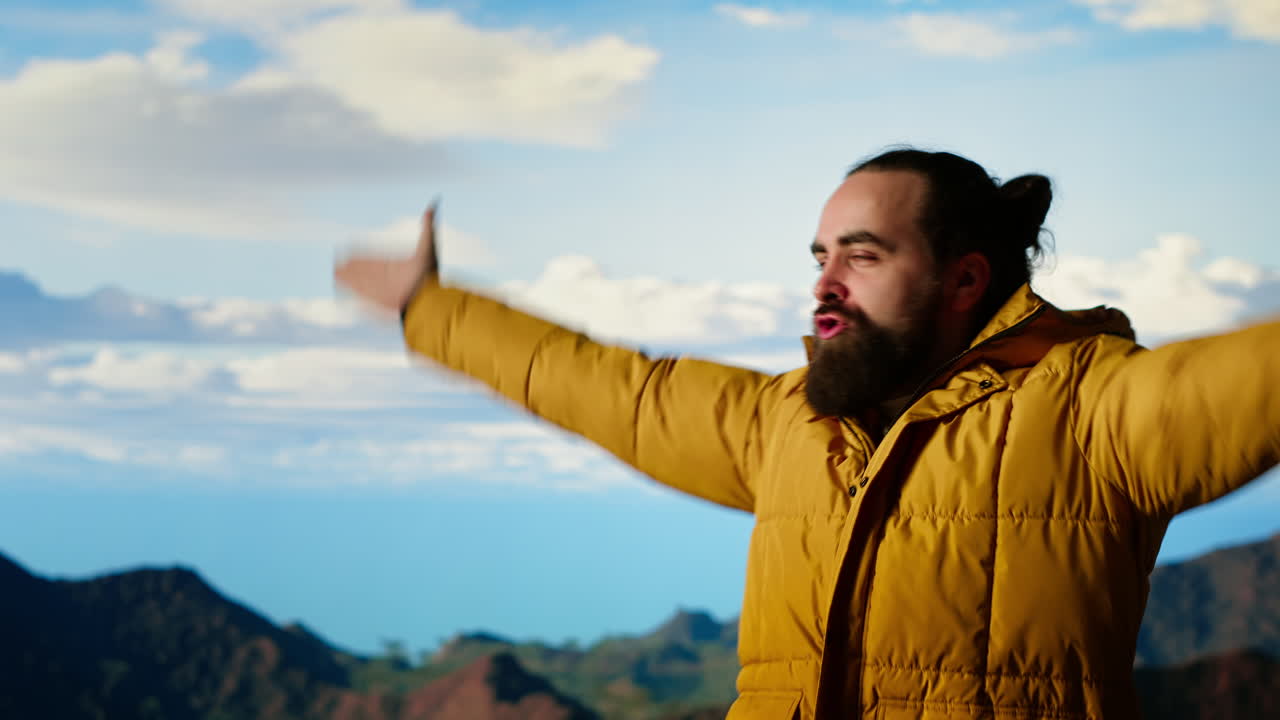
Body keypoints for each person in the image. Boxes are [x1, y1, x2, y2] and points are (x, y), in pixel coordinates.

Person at [334, 148, 1280, 719]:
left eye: (863, 256)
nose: (824, 282)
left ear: (964, 280)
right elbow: (616, 389)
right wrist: (434, 309)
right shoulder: (787, 424)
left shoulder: (1093, 413)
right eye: (821, 256)